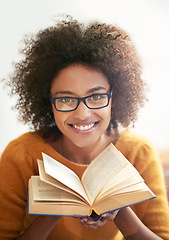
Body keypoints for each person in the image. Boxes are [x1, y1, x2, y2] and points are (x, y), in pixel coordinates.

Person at [0, 16, 169, 240]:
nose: (82, 114)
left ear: (114, 98)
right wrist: (52, 210)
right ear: (49, 102)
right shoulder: (21, 155)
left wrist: (121, 211)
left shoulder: (139, 152)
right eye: (66, 99)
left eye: (97, 96)